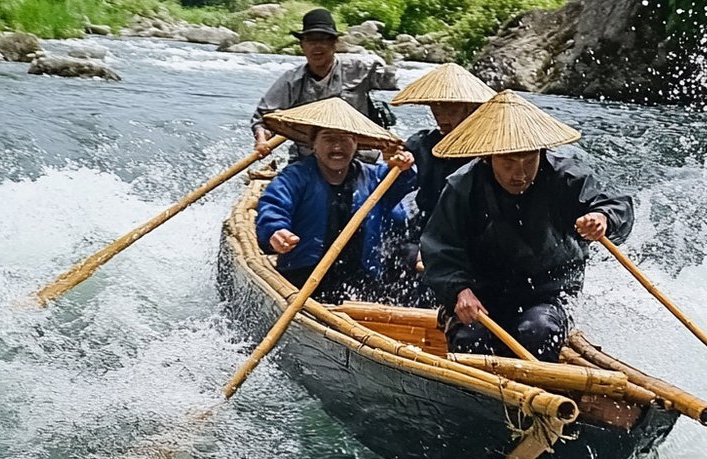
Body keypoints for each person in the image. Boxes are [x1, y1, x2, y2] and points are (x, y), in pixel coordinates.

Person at [420, 91, 633, 362]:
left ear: (541, 153)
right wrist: (459, 291)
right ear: (488, 157)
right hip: (478, 297)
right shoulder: (462, 186)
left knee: (539, 330)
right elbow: (439, 250)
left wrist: (603, 218)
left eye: (528, 160)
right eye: (508, 162)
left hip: (548, 295)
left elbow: (616, 204)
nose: (519, 174)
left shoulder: (567, 177)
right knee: (471, 338)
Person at [255, 97, 415, 302]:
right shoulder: (295, 176)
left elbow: (403, 184)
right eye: (329, 138)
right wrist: (276, 232)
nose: (337, 146)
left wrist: (403, 167)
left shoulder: (375, 177)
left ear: (356, 143)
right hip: (303, 275)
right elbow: (273, 206)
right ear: (313, 144)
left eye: (345, 138)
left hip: (361, 276)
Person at [388, 63, 496, 273]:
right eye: (436, 108)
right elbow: (395, 192)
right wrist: (398, 165)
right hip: (427, 234)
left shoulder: (491, 149)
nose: (442, 117)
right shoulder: (421, 145)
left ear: (470, 108)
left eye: (450, 109)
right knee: (403, 253)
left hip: (476, 238)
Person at [250, 8, 396, 160]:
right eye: (311, 40)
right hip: (309, 159)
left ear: (334, 44)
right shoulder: (292, 80)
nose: (317, 46)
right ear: (302, 46)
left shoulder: (361, 69)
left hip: (359, 157)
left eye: (323, 40)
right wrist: (262, 139)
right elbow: (263, 118)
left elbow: (395, 82)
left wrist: (387, 61)